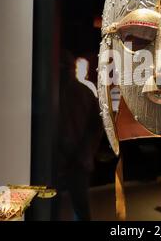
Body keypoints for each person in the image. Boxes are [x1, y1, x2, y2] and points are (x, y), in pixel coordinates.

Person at [55, 50, 103, 220]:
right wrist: (88, 151)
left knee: (53, 205)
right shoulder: (85, 91)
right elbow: (96, 128)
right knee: (80, 207)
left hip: (60, 160)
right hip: (80, 160)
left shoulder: (53, 92)